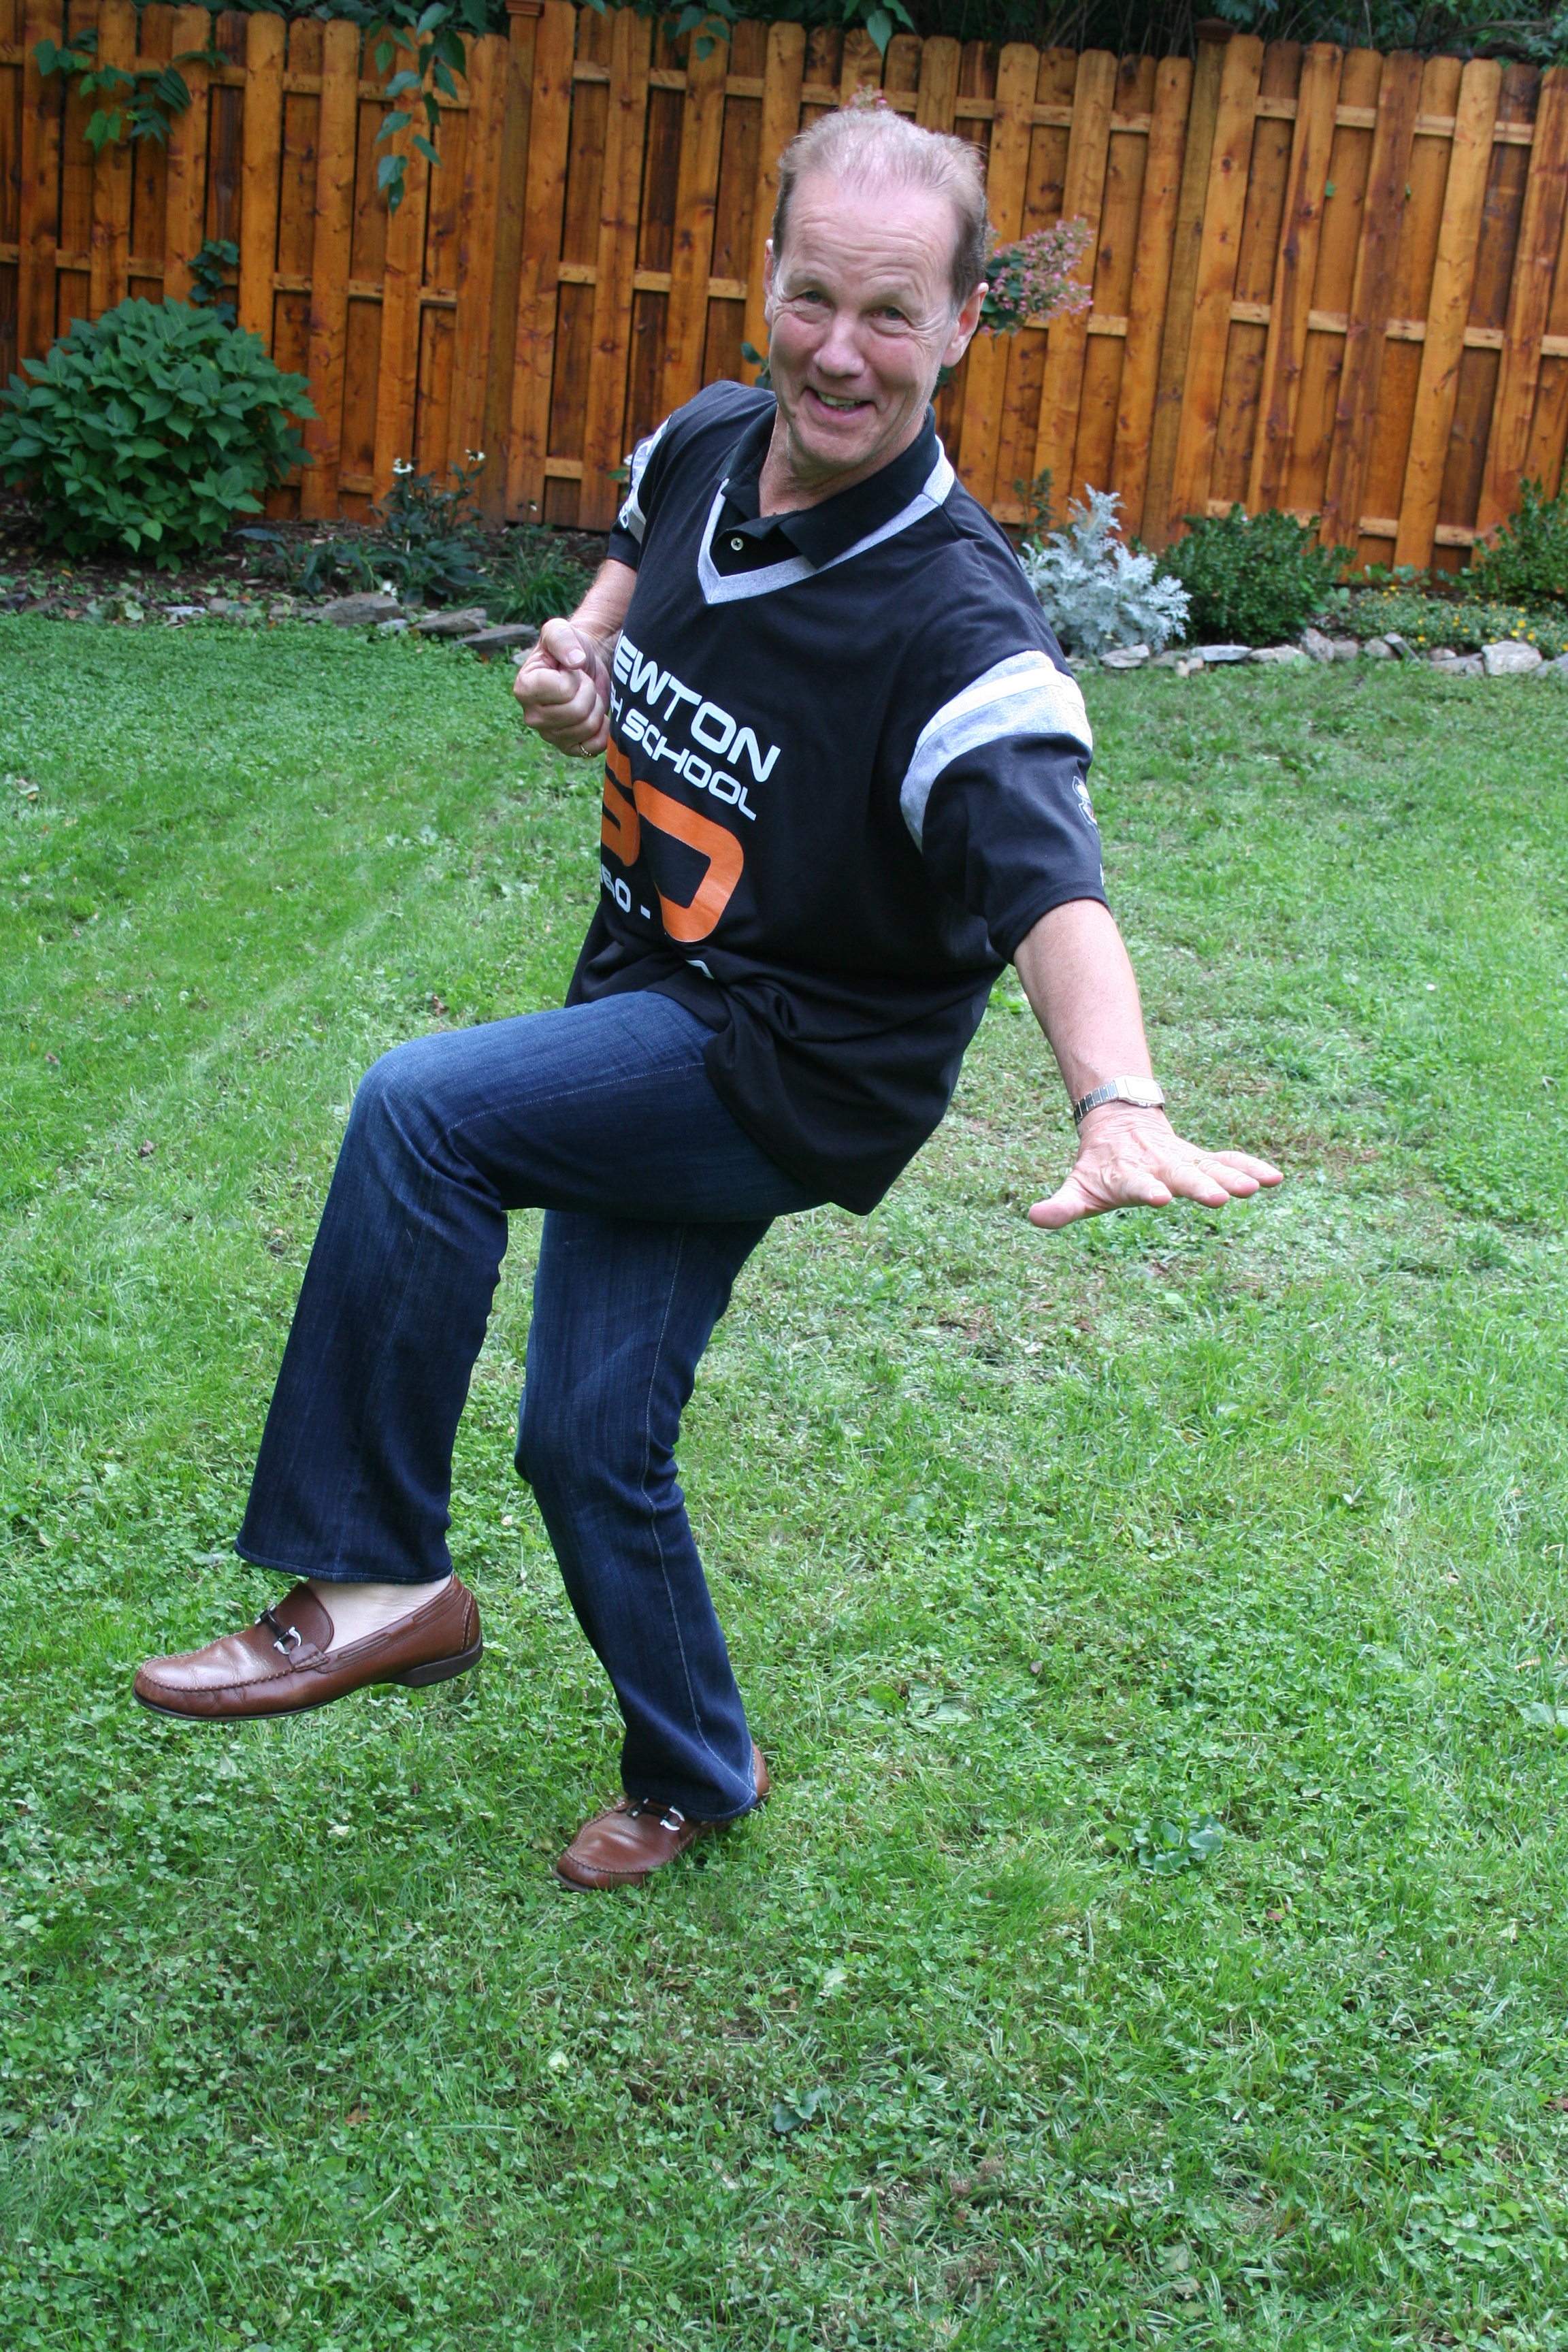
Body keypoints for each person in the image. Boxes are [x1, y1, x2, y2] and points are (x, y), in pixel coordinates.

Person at [135, 105, 1280, 1887]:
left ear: (966, 321)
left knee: (421, 1110)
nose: (839, 348)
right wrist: (584, 654)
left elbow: (1049, 868)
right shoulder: (713, 439)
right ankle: (701, 1768)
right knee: (590, 1441)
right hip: (652, 997)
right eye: (813, 296)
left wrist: (1116, 1096)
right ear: (768, 279)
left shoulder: (956, 628)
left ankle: (375, 1575)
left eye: (891, 314)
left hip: (781, 1060)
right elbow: (638, 545)